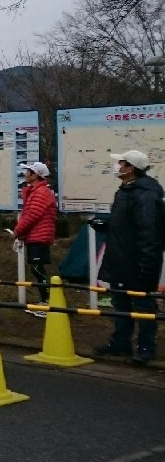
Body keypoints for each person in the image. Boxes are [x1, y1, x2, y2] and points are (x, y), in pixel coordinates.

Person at [91, 150, 161, 364]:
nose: (118, 166)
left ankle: (146, 347)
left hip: (136, 262)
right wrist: (107, 225)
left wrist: (146, 264)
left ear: (131, 168)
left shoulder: (145, 195)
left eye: (121, 163)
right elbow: (128, 225)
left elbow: (149, 231)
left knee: (143, 306)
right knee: (120, 302)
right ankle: (120, 342)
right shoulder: (126, 191)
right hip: (120, 258)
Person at [14, 162, 57, 316]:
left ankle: (48, 302)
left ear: (35, 175)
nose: (25, 174)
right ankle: (46, 301)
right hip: (36, 235)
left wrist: (17, 231)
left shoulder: (40, 192)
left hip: (39, 235)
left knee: (38, 268)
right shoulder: (36, 191)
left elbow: (31, 215)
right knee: (37, 268)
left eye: (28, 171)